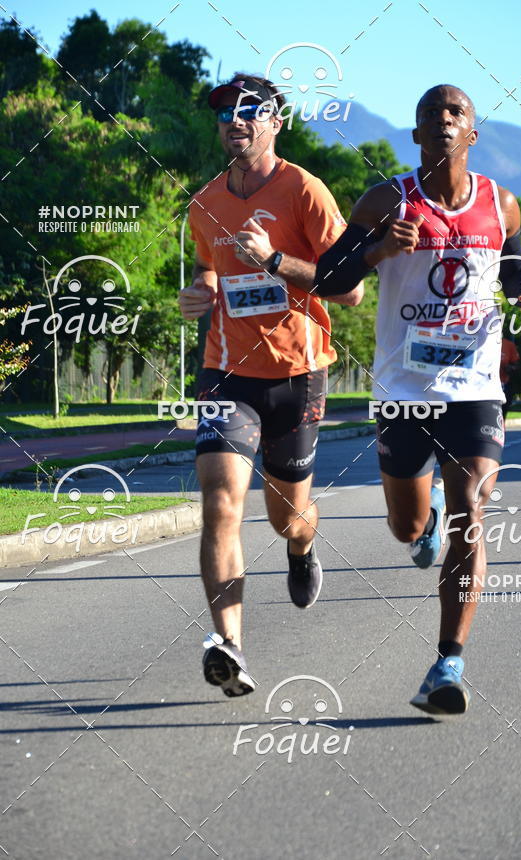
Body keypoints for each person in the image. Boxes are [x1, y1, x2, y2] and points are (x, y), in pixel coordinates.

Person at [248, 84, 521, 715]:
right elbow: (330, 280)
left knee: (475, 505)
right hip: (403, 390)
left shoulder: (502, 203)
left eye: (455, 114)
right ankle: (427, 514)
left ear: (472, 133)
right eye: (430, 116)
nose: (443, 121)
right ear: (416, 135)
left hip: (475, 386)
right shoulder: (385, 199)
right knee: (407, 527)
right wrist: (379, 249)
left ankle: (447, 663)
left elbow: (517, 267)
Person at [178, 73, 363, 698]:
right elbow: (207, 269)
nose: (235, 119)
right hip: (226, 372)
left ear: (275, 122)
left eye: (249, 111)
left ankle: (301, 551)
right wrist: (199, 292)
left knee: (287, 517)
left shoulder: (305, 191)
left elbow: (351, 287)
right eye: (226, 112)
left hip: (297, 373)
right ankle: (228, 645)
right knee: (220, 502)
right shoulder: (204, 204)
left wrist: (275, 261)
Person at [500, 336, 520, 419]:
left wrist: (510, 368)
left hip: (503, 386)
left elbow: (516, 366)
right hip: (483, 386)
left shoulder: (508, 345)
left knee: (501, 417)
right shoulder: (479, 342)